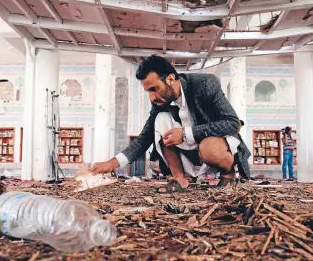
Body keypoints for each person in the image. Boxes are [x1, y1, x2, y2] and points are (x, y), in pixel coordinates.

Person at [91, 55, 251, 191]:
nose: (152, 98)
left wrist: (186, 133)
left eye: (154, 89)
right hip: (190, 153)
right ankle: (180, 179)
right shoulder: (160, 102)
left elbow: (232, 123)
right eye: (148, 92)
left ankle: (229, 174)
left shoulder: (205, 84)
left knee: (208, 147)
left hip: (215, 146)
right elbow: (144, 138)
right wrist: (112, 163)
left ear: (170, 79)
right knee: (160, 121)